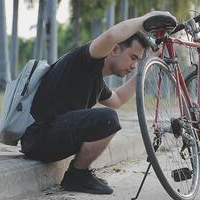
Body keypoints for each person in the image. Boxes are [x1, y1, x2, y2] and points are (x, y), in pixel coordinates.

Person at [20, 11, 176, 195]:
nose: (134, 65)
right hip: (40, 137)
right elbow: (111, 36)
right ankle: (77, 175)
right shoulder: (87, 60)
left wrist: (145, 68)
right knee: (107, 119)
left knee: (109, 116)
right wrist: (149, 18)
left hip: (45, 138)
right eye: (133, 58)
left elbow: (117, 100)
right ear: (114, 50)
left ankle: (79, 173)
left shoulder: (95, 80)